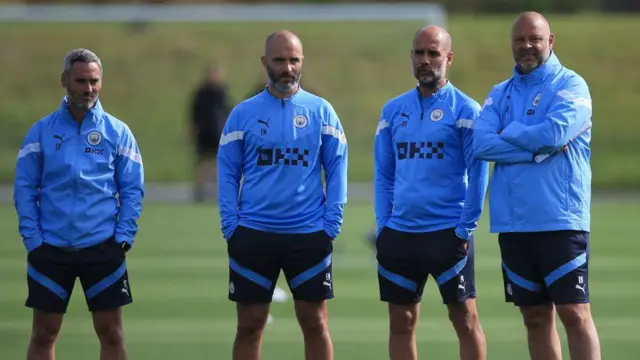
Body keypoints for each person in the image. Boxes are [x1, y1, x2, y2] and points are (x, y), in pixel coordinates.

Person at [473, 12, 600, 360]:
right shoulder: (500, 94)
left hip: (560, 219)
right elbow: (481, 145)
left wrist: (509, 134)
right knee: (534, 318)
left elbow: (555, 133)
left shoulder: (571, 85)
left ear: (551, 41)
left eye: (535, 39)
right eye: (520, 40)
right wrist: (535, 149)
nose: (527, 46)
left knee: (575, 314)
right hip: (514, 223)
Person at [217, 30, 347, 360]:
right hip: (254, 234)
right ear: (265, 62)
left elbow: (336, 168)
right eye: (279, 60)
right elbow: (228, 172)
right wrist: (230, 224)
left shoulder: (321, 111)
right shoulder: (243, 114)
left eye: (294, 60)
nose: (287, 67)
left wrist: (332, 222)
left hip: (308, 235)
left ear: (302, 62)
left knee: (315, 322)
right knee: (250, 323)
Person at [14, 48, 144, 360]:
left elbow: (132, 190)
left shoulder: (117, 131)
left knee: (111, 334)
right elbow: (24, 188)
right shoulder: (42, 131)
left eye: (94, 81)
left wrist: (122, 239)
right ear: (64, 81)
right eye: (81, 81)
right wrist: (33, 240)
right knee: (44, 333)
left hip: (102, 247)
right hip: (51, 248)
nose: (88, 88)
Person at [374, 25, 489, 360]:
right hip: (401, 233)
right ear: (411, 56)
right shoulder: (393, 110)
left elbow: (479, 172)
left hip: (447, 233)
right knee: (402, 322)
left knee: (465, 320)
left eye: (433, 53)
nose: (425, 60)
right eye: (419, 53)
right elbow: (384, 174)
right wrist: (384, 225)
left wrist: (465, 228)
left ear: (448, 58)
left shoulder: (467, 110)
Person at [189, 63, 232, 202]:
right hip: (204, 131)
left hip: (218, 131)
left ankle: (216, 190)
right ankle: (200, 191)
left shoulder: (222, 92)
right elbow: (194, 114)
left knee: (218, 161)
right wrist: (193, 130)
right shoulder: (201, 93)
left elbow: (227, 111)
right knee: (202, 161)